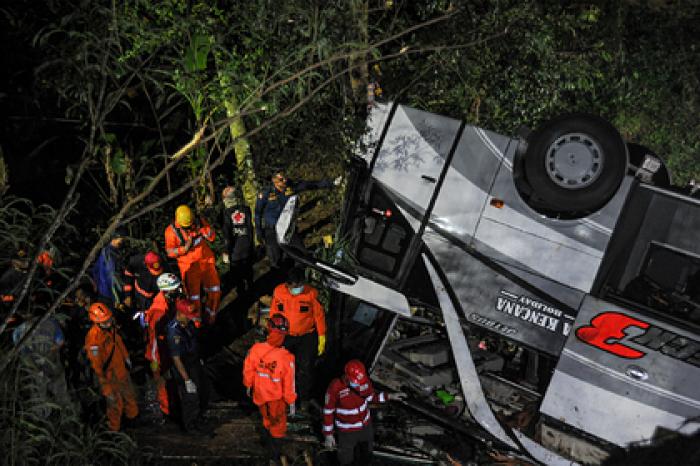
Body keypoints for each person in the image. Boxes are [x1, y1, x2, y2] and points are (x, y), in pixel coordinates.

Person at [322, 359, 406, 465]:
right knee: (346, 459)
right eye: (356, 383)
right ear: (347, 377)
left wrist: (389, 396)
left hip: (365, 427)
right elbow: (328, 411)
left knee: (367, 456)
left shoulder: (364, 381)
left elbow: (371, 397)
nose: (359, 385)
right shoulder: (335, 387)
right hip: (347, 431)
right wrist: (328, 435)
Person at [255, 168, 338, 268]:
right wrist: (259, 232)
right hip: (271, 229)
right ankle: (279, 275)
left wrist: (331, 183)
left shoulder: (291, 187)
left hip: (287, 228)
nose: (285, 181)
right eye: (281, 180)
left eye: (285, 178)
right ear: (274, 181)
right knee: (275, 257)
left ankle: (300, 271)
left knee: (301, 253)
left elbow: (310, 185)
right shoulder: (265, 193)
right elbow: (258, 213)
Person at [270, 266, 326, 412]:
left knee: (305, 368)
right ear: (287, 285)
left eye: (301, 285)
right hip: (286, 336)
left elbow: (319, 316)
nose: (299, 289)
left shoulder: (311, 294)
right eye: (295, 287)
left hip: (306, 336)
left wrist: (321, 336)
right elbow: (274, 313)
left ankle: (304, 398)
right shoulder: (279, 292)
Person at [243, 314, 296, 466]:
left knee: (266, 420)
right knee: (278, 427)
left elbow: (248, 369)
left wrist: (248, 385)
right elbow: (289, 383)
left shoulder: (256, 349)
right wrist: (291, 401)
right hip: (276, 400)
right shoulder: (287, 358)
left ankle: (269, 447)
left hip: (259, 394)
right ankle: (274, 455)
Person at [84, 302, 139, 431]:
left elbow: (118, 343)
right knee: (115, 405)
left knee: (130, 397)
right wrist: (105, 387)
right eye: (105, 321)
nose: (108, 323)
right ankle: (114, 432)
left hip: (121, 371)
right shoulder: (94, 339)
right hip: (110, 377)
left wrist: (126, 358)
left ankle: (133, 422)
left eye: (109, 320)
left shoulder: (110, 329)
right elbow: (96, 365)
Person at [164, 205, 221, 324]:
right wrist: (184, 249)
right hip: (189, 267)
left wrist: (204, 230)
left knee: (215, 291)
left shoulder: (199, 222)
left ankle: (211, 319)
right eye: (187, 226)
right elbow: (170, 252)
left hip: (206, 262)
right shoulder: (171, 232)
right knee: (193, 299)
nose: (190, 228)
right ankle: (196, 324)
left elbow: (212, 237)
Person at [12, 313, 70, 415]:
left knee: (37, 390)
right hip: (51, 360)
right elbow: (60, 341)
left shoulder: (18, 331)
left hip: (33, 364)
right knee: (58, 385)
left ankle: (42, 416)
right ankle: (64, 412)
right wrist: (50, 352)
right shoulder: (51, 323)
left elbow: (21, 352)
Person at [144, 272, 184, 419]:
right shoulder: (158, 311)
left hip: (167, 348)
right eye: (175, 288)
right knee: (163, 383)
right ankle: (167, 412)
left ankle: (172, 406)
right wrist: (156, 360)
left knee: (171, 381)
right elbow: (153, 338)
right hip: (159, 354)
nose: (179, 290)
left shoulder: (168, 302)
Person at [166, 297, 209, 433]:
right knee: (190, 396)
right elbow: (176, 358)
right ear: (180, 314)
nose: (191, 318)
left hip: (193, 362)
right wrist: (187, 380)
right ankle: (190, 426)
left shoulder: (187, 323)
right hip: (183, 366)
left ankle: (198, 418)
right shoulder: (174, 331)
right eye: (188, 316)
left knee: (202, 391)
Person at [221, 186, 255, 294]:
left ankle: (242, 294)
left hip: (235, 250)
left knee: (237, 274)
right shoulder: (246, 209)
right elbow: (250, 228)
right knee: (248, 270)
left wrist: (226, 251)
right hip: (247, 246)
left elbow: (227, 235)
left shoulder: (227, 213)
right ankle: (251, 288)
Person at [92, 227, 128, 307]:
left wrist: (96, 283)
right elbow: (112, 277)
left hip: (102, 291)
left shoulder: (105, 250)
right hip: (109, 295)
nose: (123, 241)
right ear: (115, 238)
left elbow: (95, 269)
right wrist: (116, 299)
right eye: (121, 239)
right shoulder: (111, 255)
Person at [123, 250, 164, 317]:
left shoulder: (162, 262)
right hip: (137, 294)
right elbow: (128, 276)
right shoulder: (135, 262)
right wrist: (128, 295)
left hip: (155, 296)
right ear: (145, 264)